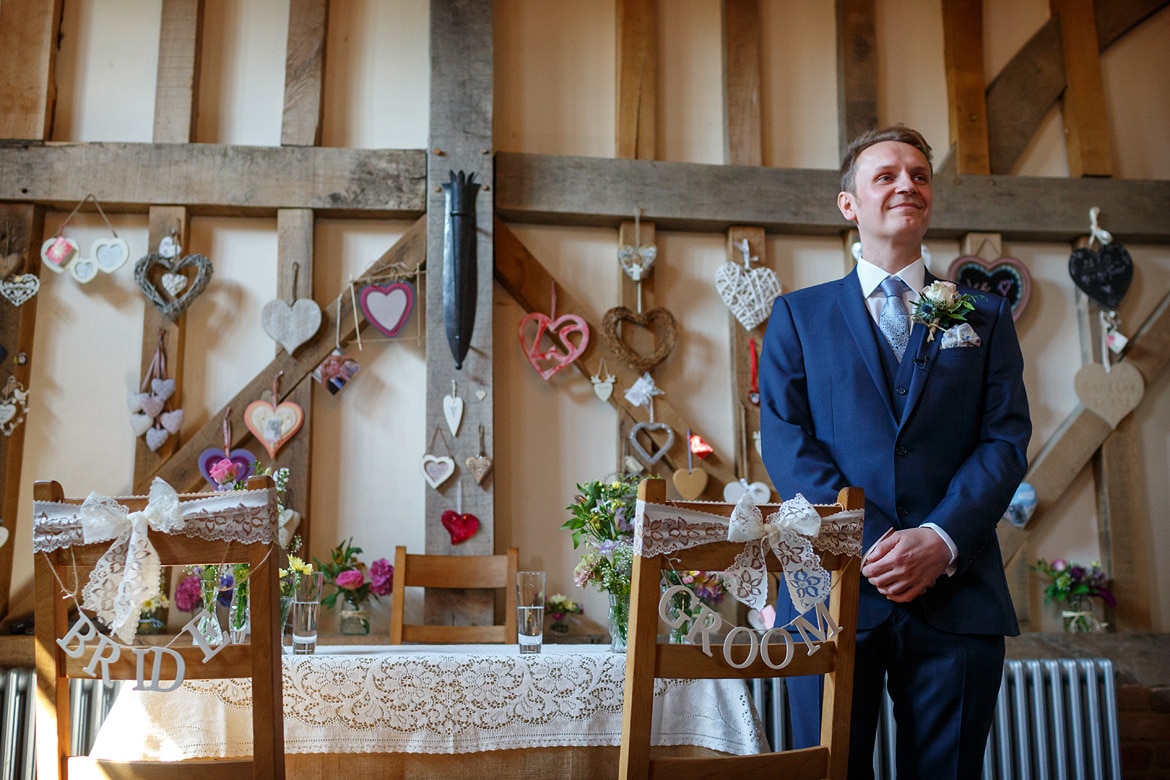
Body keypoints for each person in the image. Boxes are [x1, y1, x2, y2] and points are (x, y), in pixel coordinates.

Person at [759, 125, 1031, 778]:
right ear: (848, 204)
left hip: (956, 594)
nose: (908, 183)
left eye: (919, 174)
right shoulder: (798, 317)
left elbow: (1005, 439)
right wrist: (877, 543)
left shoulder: (982, 315)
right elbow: (788, 444)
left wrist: (938, 538)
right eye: (886, 175)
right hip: (829, 591)